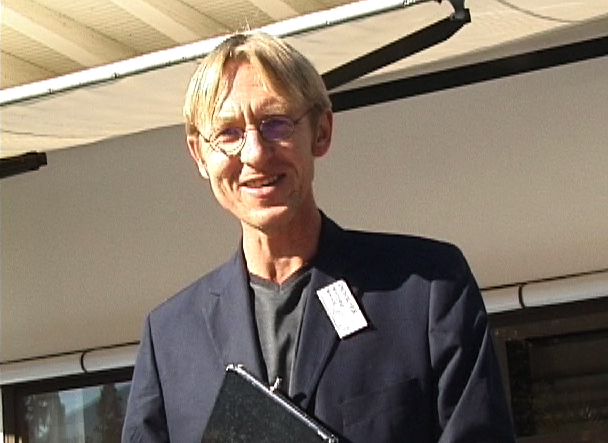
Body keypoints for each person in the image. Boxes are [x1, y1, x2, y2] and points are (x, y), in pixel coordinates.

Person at [122, 32, 516, 443]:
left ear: (321, 131)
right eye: (228, 133)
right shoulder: (170, 339)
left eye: (275, 123)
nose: (255, 153)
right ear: (199, 155)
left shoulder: (426, 290)